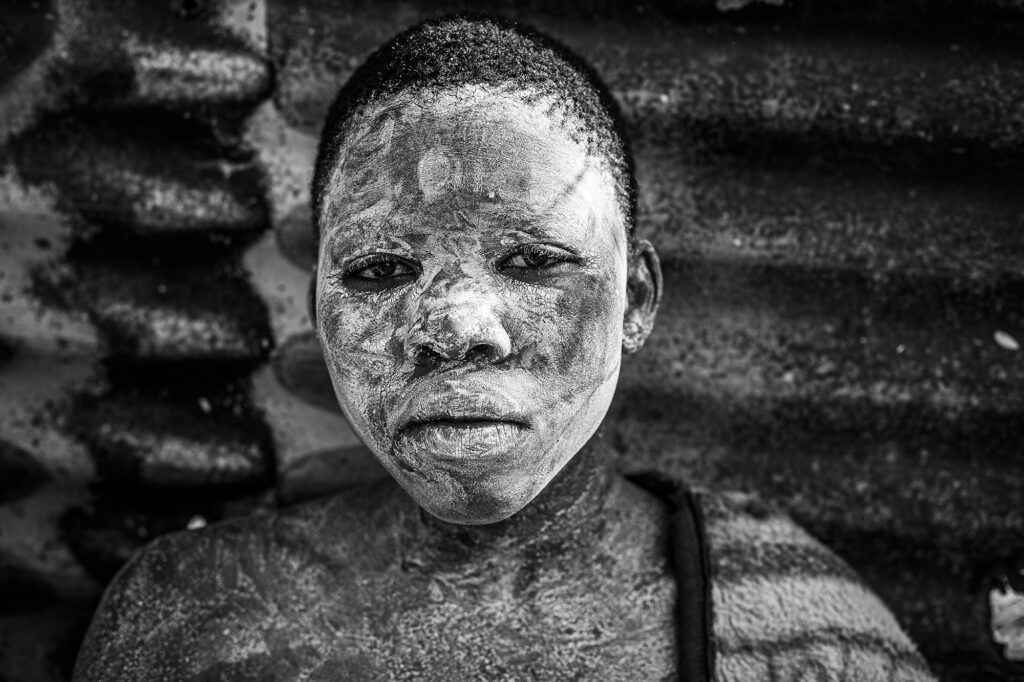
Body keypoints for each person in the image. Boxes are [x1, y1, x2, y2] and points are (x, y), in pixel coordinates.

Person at [73, 14, 935, 680]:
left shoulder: (800, 634)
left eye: (530, 261)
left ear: (635, 297)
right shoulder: (190, 624)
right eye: (378, 270)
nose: (454, 326)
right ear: (316, 307)